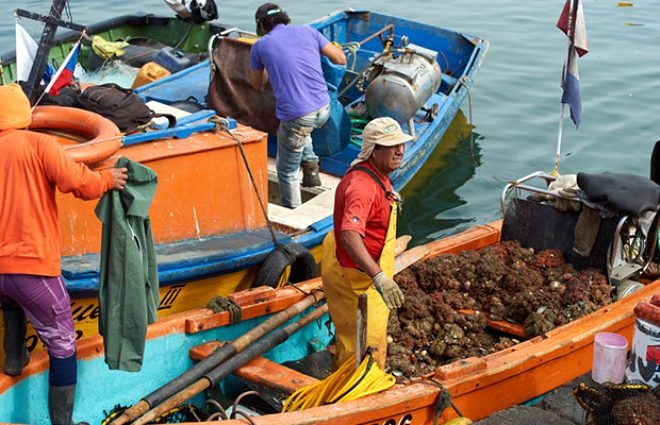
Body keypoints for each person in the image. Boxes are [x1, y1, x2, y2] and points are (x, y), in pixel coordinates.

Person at [0, 83, 128, 425]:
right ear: (25, 115)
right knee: (62, 340)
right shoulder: (39, 144)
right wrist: (107, 179)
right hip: (33, 266)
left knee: (10, 297)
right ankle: (63, 424)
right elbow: (79, 183)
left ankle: (14, 358)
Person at [322, 116, 411, 370]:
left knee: (365, 338)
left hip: (363, 270)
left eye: (401, 144)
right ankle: (352, 394)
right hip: (356, 279)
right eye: (392, 145)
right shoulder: (362, 187)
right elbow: (349, 234)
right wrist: (379, 276)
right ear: (374, 150)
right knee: (360, 345)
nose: (400, 150)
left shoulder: (378, 174)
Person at [249, 2, 346, 208]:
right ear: (284, 18)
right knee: (301, 125)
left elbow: (257, 84)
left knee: (287, 170)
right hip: (324, 109)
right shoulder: (308, 31)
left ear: (262, 26)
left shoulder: (260, 45)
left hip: (300, 117)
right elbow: (339, 58)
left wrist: (269, 65)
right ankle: (310, 163)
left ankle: (293, 209)